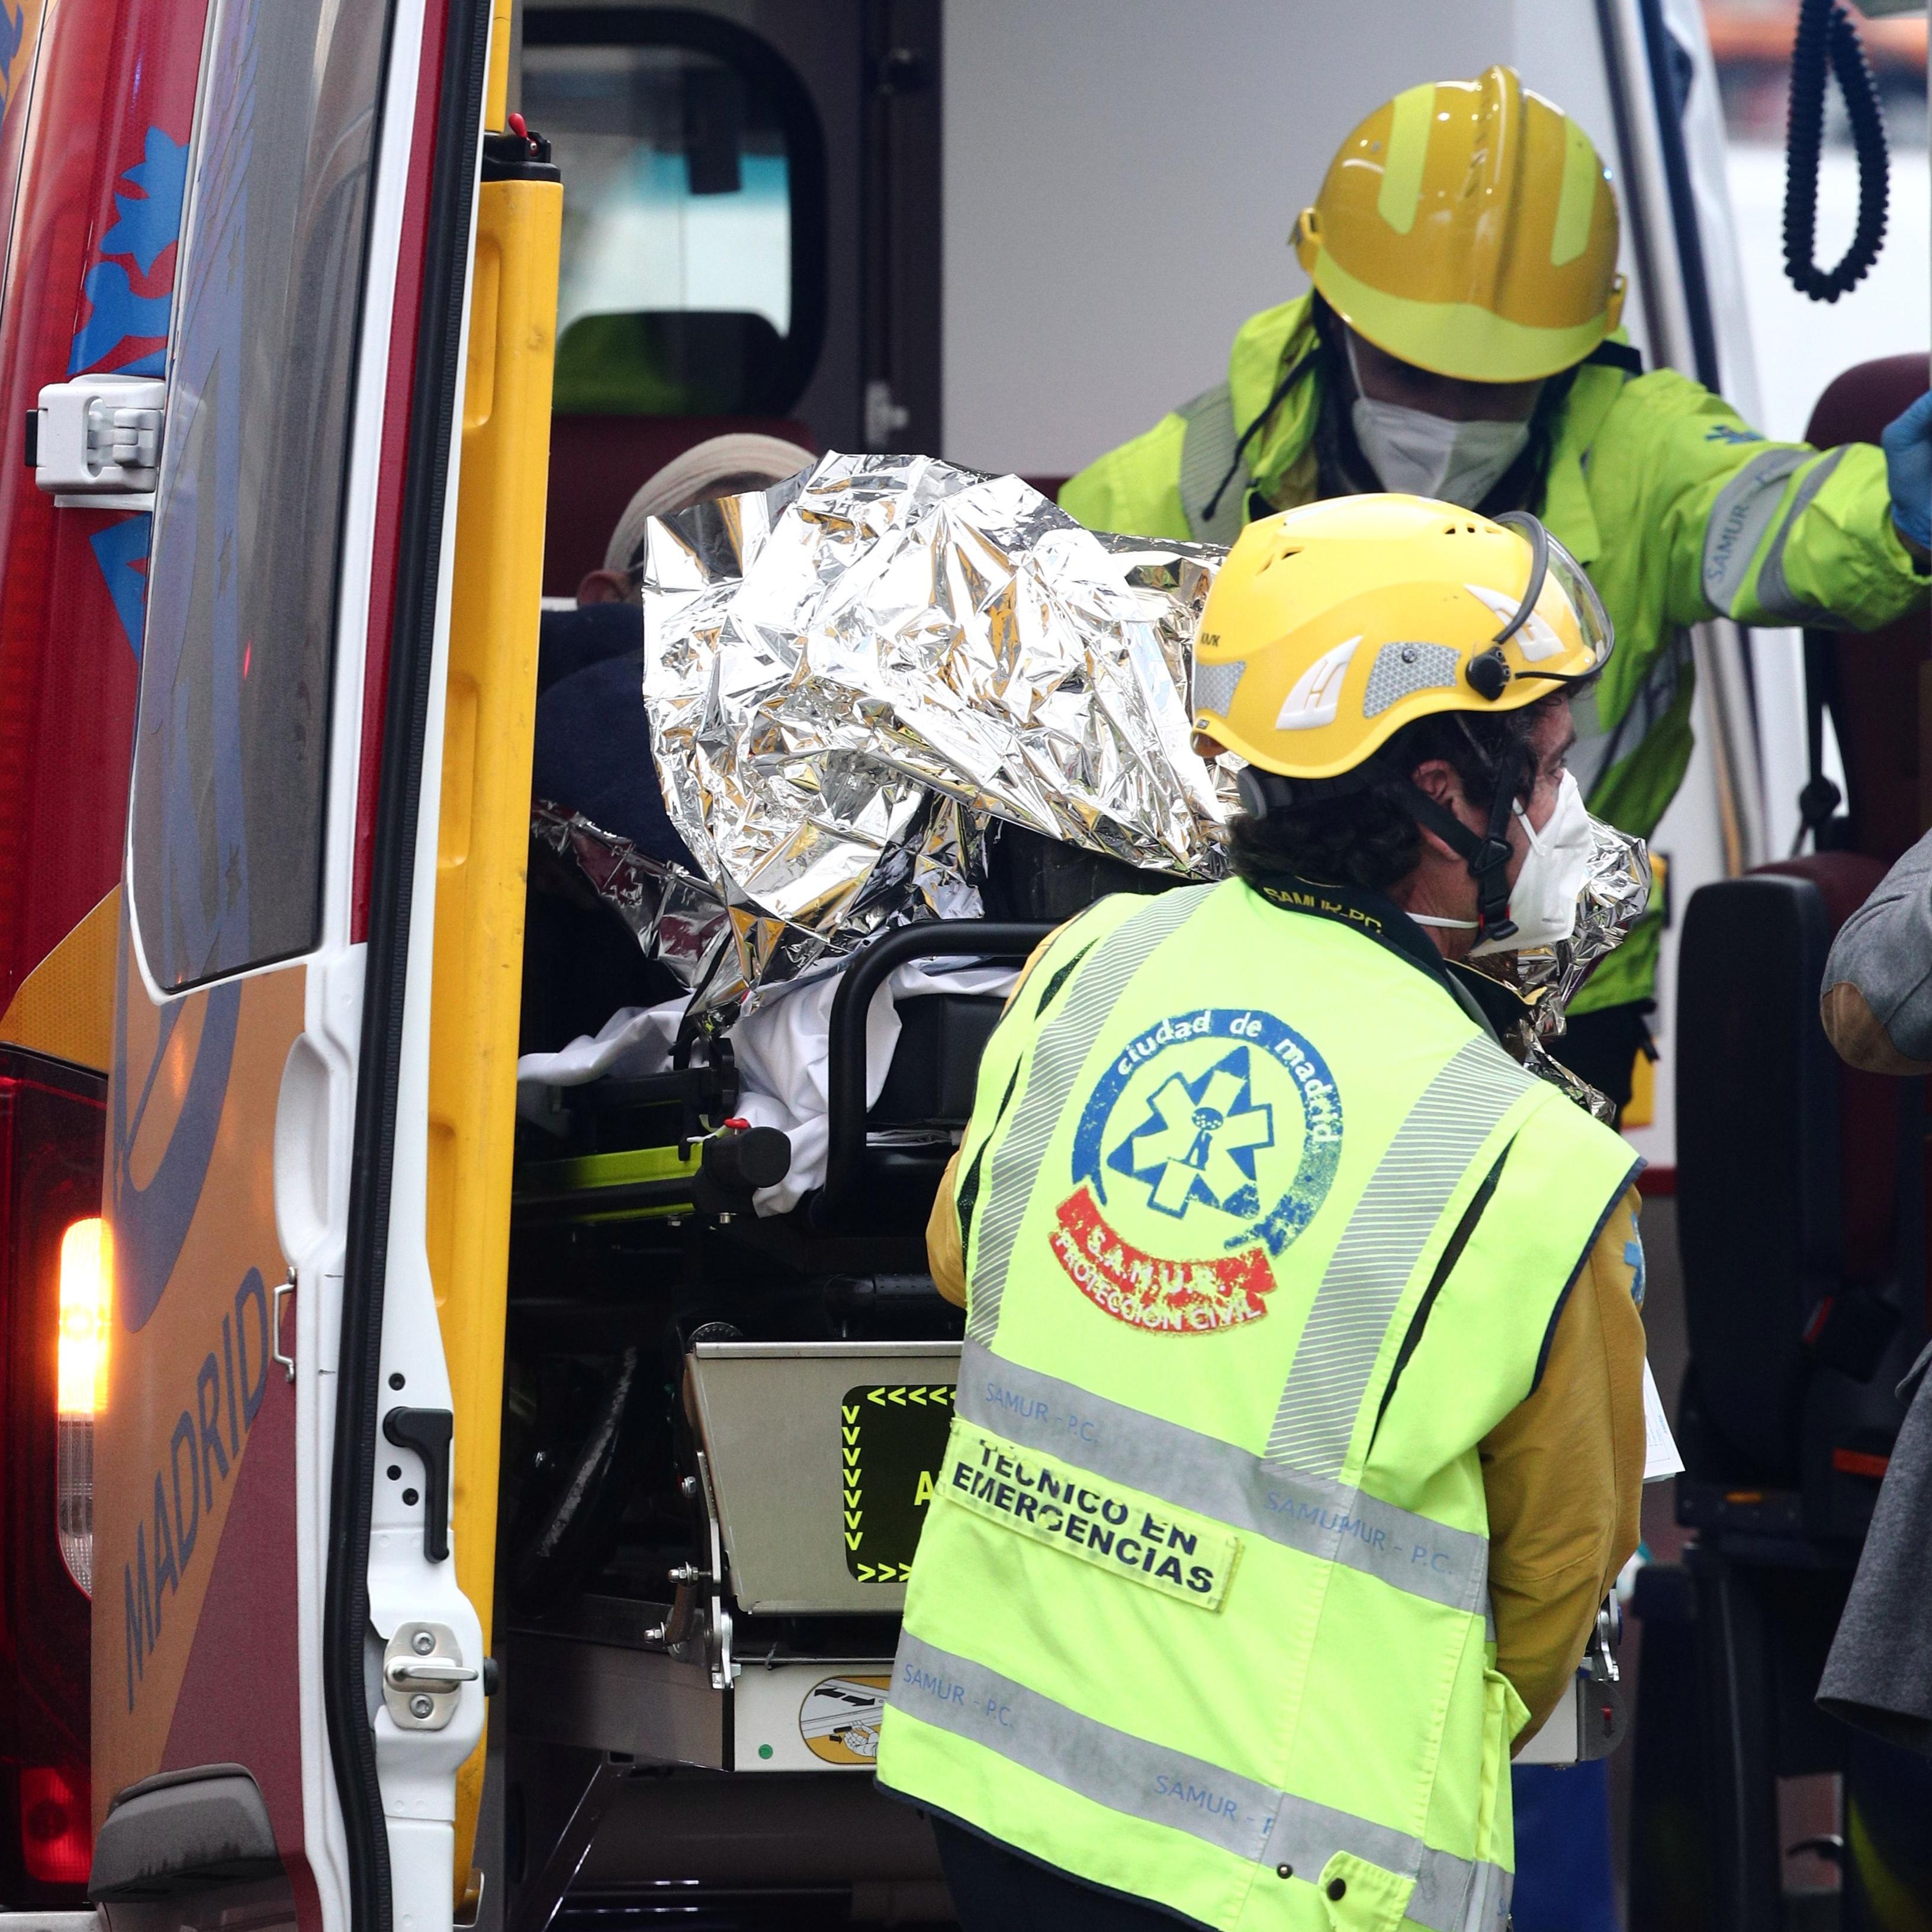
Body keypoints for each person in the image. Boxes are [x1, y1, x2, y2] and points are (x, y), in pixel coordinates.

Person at [876, 494, 1647, 1931]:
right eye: (1541, 773)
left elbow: (963, 1255)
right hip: (1296, 1866)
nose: (1563, 816)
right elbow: (1557, 1575)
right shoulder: (1527, 1161)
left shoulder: (1096, 961)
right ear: (1443, 794)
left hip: (1000, 1784)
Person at [1059, 65, 1932, 1116]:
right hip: (1256, 979)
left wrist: (1892, 511)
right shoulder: (1181, 484)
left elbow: (1779, 519)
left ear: (1568, 360)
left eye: (1495, 383)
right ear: (1337, 317)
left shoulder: (1642, 447)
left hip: (1554, 998)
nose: (1454, 412)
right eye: (1417, 375)